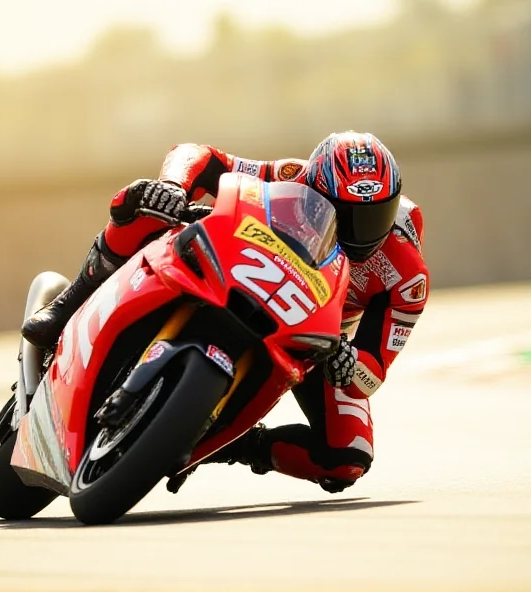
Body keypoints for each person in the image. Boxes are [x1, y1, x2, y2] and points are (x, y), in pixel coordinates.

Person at [22, 132, 429, 494]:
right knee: (147, 203)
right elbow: (199, 155)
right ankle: (68, 303)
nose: (360, 231)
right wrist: (172, 187)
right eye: (344, 215)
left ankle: (237, 445)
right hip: (246, 269)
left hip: (321, 334)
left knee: (347, 458)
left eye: (375, 215)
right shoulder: (293, 175)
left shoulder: (407, 277)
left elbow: (374, 371)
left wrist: (348, 362)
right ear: (316, 189)